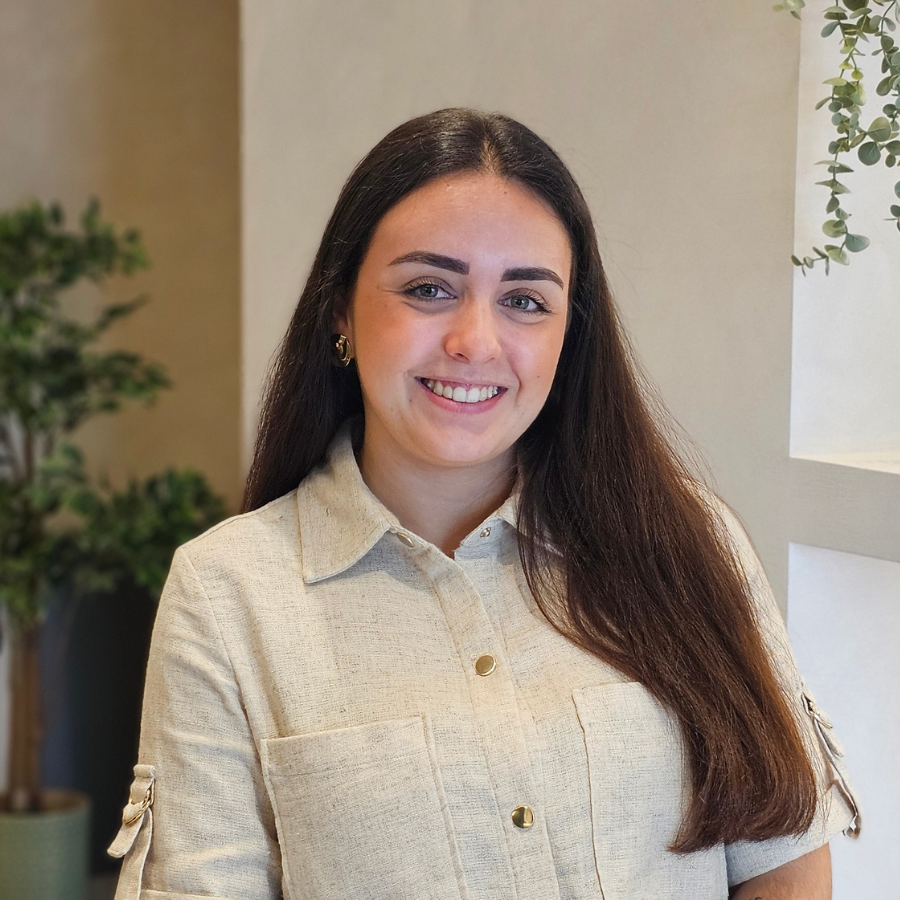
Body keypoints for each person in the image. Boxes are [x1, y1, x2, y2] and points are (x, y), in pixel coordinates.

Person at [108, 107, 860, 900]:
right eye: (429, 288)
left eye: (525, 301)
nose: (475, 341)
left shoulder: (689, 542)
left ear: (570, 332)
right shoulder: (227, 595)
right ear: (341, 310)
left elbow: (783, 857)